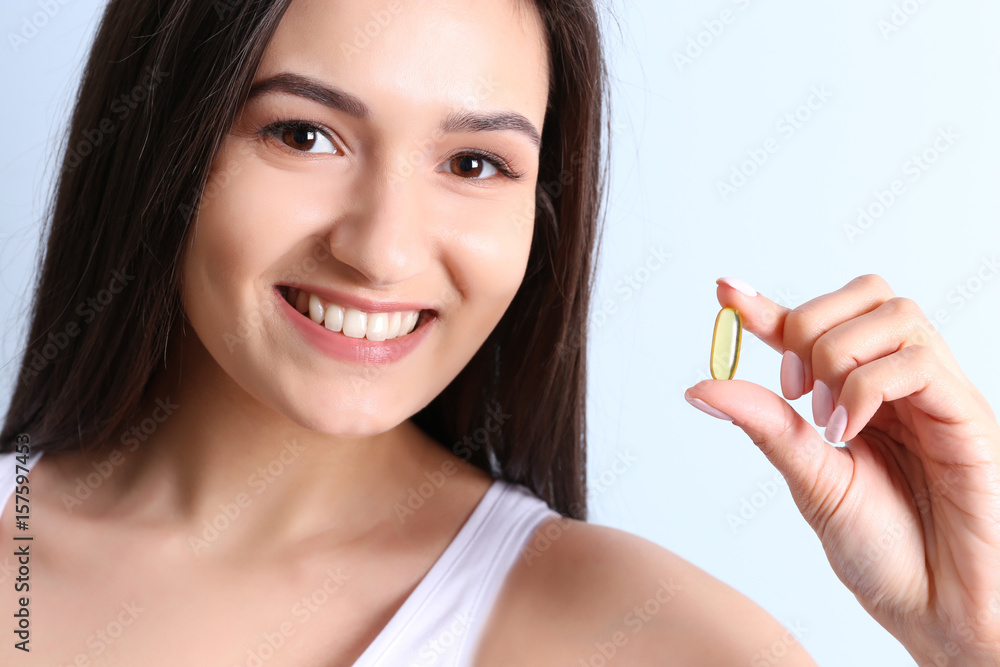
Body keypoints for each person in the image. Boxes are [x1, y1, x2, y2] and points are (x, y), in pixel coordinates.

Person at [1, 0, 998, 664]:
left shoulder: (637, 636)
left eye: (473, 163)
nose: (382, 251)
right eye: (304, 134)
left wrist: (973, 638)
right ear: (160, 143)